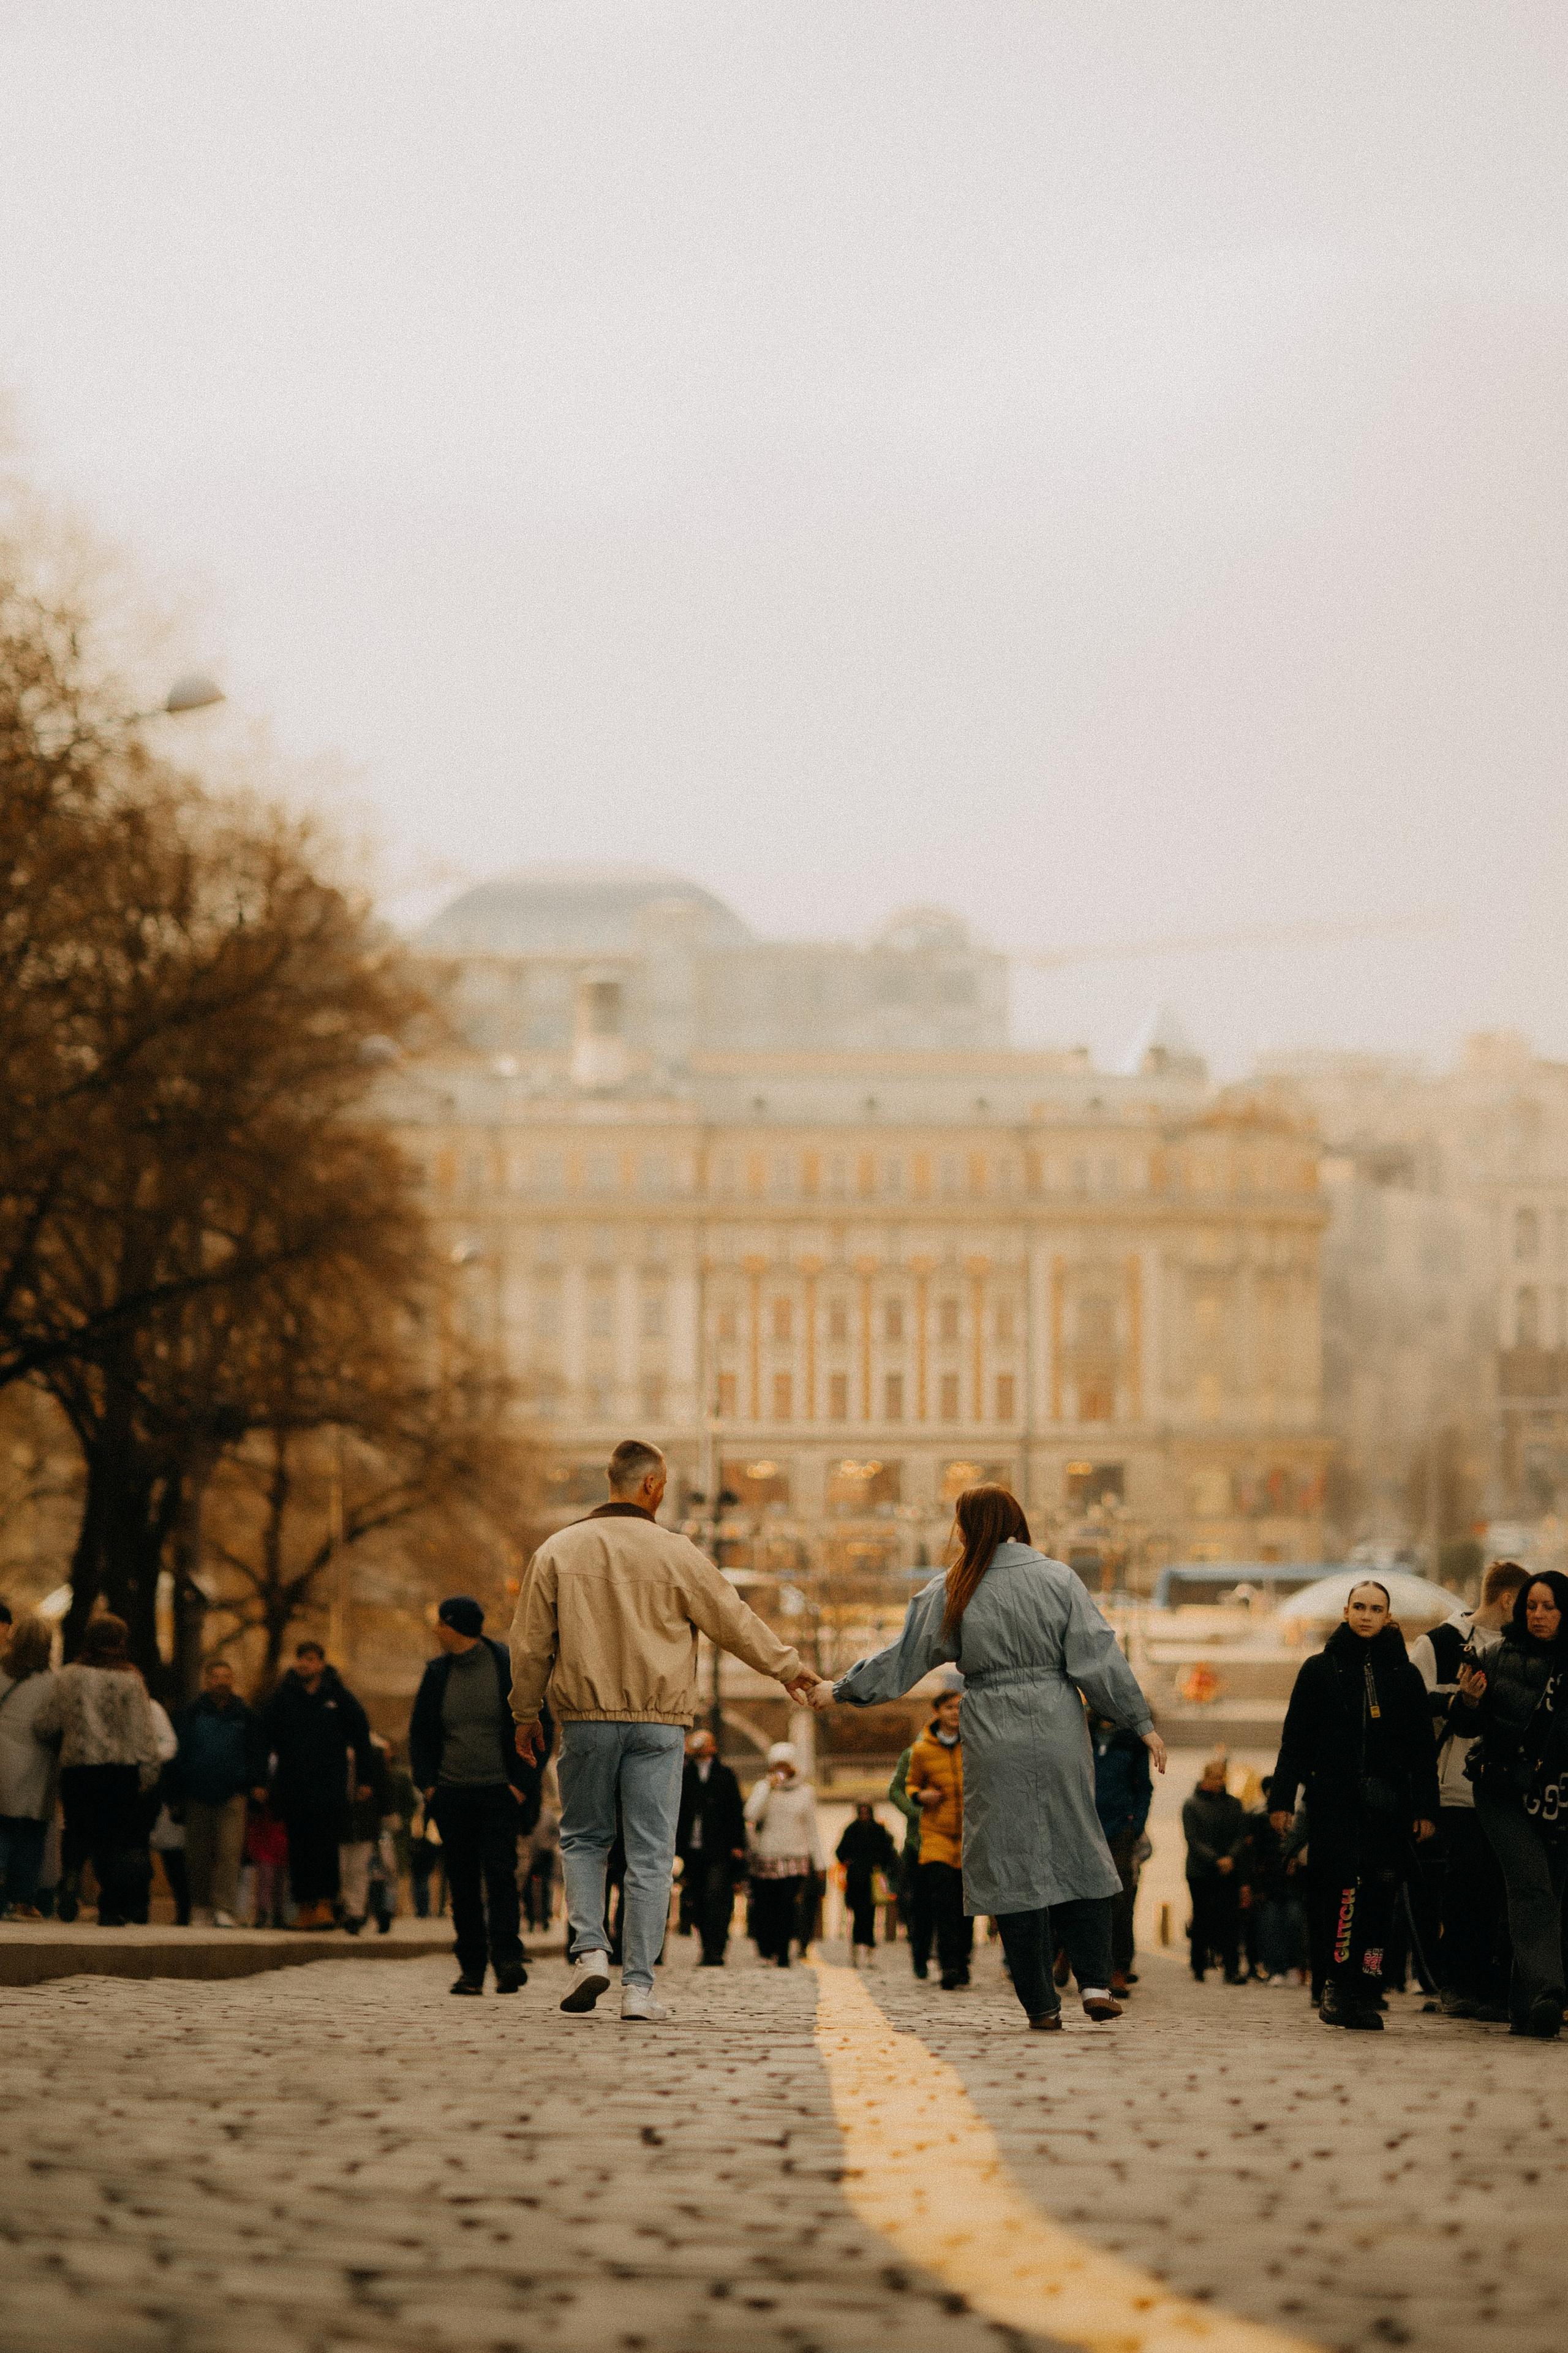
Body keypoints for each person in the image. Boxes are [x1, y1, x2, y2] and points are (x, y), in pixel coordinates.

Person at [826, 1485, 1166, 2031]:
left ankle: (1041, 2004)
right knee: (1078, 1841)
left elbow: (903, 1658)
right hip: (1057, 1720)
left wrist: (842, 1689)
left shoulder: (954, 1586)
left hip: (993, 1725)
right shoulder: (1058, 1577)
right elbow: (1099, 1655)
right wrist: (1141, 1724)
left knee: (1011, 1862)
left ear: (966, 1527)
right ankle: (1097, 1981)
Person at [511, 1438, 824, 2023]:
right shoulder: (678, 1553)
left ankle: (589, 1952)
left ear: (612, 1481)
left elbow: (529, 1645)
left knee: (584, 1839)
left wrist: (524, 1714)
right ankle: (639, 1988)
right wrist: (787, 1666)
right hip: (659, 1722)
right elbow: (734, 1619)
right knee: (653, 1854)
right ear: (653, 1485)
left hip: (586, 1718)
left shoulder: (558, 1550)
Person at [1270, 1579, 1438, 2030]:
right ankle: (1337, 1986)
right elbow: (1295, 1742)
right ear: (1346, 1612)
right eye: (1359, 1606)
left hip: (1387, 1808)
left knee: (1381, 1899)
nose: (1366, 1615)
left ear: (1388, 1616)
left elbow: (1423, 1749)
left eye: (1376, 1608)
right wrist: (1281, 1799)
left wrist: (1425, 1808)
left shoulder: (1405, 1677)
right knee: (1340, 1893)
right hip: (1333, 1806)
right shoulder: (1318, 1670)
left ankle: (1368, 1986)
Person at [1453, 1568, 1568, 2038]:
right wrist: (1470, 1700)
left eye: (1549, 1606)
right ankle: (1549, 1991)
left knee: (1549, 1897)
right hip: (1502, 1790)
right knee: (1531, 1887)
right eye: (1531, 1606)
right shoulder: (1497, 1655)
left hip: (1558, 1796)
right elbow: (1465, 1726)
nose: (1538, 1615)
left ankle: (1528, 2008)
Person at [1410, 1558, 1526, 2020]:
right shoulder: (1440, 1642)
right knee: (1465, 1885)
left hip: (1509, 1789)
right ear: (1509, 1599)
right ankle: (1458, 1983)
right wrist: (1456, 1698)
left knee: (1501, 1890)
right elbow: (1409, 1707)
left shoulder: (1524, 1648)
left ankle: (1493, 1986)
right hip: (1454, 1787)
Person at [409, 1595, 539, 1995]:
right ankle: (471, 1968)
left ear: (456, 1626)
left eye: (440, 1623)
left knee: (501, 1875)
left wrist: (520, 1784)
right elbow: (420, 1733)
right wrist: (429, 1784)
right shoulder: (437, 1672)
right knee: (462, 1882)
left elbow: (539, 1721)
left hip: (499, 1792)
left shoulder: (507, 1665)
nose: (435, 1630)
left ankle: (507, 1960)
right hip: (451, 1793)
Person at [32, 1614, 162, 1927]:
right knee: (114, 1837)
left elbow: (46, 1724)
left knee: (78, 1827)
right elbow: (144, 1731)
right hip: (121, 1771)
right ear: (121, 1642)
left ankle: (71, 1875)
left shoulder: (69, 1676)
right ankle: (110, 1907)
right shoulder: (132, 1679)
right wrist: (148, 1772)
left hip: (80, 1767)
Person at [260, 1639, 373, 1930]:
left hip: (329, 1786)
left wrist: (365, 1779)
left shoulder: (338, 1696)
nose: (303, 1664)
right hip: (294, 1785)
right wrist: (260, 1779)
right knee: (299, 1847)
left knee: (325, 1845)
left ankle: (326, 1903)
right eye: (300, 1658)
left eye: (310, 1659)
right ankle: (305, 1906)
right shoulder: (283, 1698)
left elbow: (362, 1737)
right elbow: (262, 1739)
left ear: (321, 1664)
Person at [174, 1655, 268, 1927]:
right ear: (206, 1682)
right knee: (198, 1855)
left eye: (227, 1677)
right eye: (216, 1677)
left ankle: (225, 1907)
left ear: (233, 1681)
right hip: (197, 1793)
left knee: (230, 1853)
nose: (222, 1682)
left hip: (233, 1793)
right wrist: (176, 1794)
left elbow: (257, 1752)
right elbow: (179, 1755)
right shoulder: (191, 1715)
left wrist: (257, 1783)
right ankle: (201, 1907)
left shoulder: (246, 1715)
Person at [907, 1679, 973, 1989]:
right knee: (945, 1904)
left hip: (971, 1838)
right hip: (936, 1836)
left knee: (967, 1907)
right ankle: (948, 1966)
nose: (955, 1713)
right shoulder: (921, 1750)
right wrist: (920, 1796)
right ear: (937, 1712)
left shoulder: (976, 1743)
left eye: (960, 1707)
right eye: (949, 1707)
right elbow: (910, 1785)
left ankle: (962, 1962)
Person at [745, 1741, 824, 1965]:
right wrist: (769, 1789)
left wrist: (819, 1863)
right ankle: (766, 1949)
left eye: (785, 1765)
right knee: (765, 1907)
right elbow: (750, 1815)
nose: (781, 1770)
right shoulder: (763, 1788)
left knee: (787, 1906)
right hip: (766, 1855)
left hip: (795, 1857)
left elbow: (812, 1828)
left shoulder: (806, 1792)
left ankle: (782, 1952)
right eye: (777, 1765)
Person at [1090, 1710, 1153, 1996]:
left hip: (1119, 1830)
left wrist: (1136, 1823)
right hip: (1082, 1827)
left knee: (1120, 1898)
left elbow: (1144, 1788)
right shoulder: (1079, 1732)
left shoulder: (1132, 1740)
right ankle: (1069, 1953)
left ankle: (1119, 1969)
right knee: (1077, 1896)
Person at [0, 1614, 59, 1919]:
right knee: (32, 1832)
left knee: (3, 1827)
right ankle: (23, 1897)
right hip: (37, 1763)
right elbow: (50, 1726)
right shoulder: (52, 1682)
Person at [676, 1728, 747, 1966]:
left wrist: (738, 1844)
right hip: (692, 1849)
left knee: (716, 1897)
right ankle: (705, 1944)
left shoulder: (725, 1775)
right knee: (695, 1898)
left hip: (719, 1848)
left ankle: (716, 1946)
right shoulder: (685, 1774)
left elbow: (736, 1811)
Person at [1183, 1758, 1247, 1984]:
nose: (1220, 1782)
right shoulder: (1192, 1805)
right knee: (1202, 1917)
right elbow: (1193, 1840)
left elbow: (1240, 1836)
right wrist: (1215, 1859)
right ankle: (1198, 1964)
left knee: (1230, 1919)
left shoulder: (1234, 1804)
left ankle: (1232, 1968)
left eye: (1222, 1777)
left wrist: (1230, 1858)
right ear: (1206, 1778)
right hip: (1201, 1871)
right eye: (1215, 1777)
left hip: (1228, 1870)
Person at [339, 1732, 394, 1935]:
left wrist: (387, 1816)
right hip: (341, 1821)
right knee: (343, 1869)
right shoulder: (333, 1748)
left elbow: (384, 1787)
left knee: (360, 1869)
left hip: (366, 1822)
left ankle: (355, 1913)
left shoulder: (373, 1753)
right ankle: (347, 1909)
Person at [888, 1741, 932, 1975]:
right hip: (919, 1845)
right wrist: (915, 1812)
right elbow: (894, 1791)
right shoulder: (913, 1753)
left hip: (956, 1840)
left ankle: (955, 1961)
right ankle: (920, 1956)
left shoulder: (967, 1748)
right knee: (919, 1903)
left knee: (954, 1904)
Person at [836, 1802, 897, 1966]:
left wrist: (879, 1866)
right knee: (857, 1917)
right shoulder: (852, 1830)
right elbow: (840, 1852)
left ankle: (868, 1952)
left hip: (871, 1879)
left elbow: (887, 1853)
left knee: (869, 1917)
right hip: (857, 1879)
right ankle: (856, 1953)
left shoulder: (876, 1830)